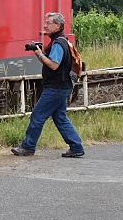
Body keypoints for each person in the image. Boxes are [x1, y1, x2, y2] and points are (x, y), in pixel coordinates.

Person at [12, 12, 86, 158]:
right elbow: (51, 63)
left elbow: (53, 65)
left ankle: (28, 147)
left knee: (37, 116)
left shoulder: (58, 43)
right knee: (60, 118)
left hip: (55, 88)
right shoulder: (61, 41)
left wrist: (40, 54)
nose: (45, 25)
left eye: (48, 23)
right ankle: (76, 147)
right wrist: (39, 53)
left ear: (57, 26)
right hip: (61, 86)